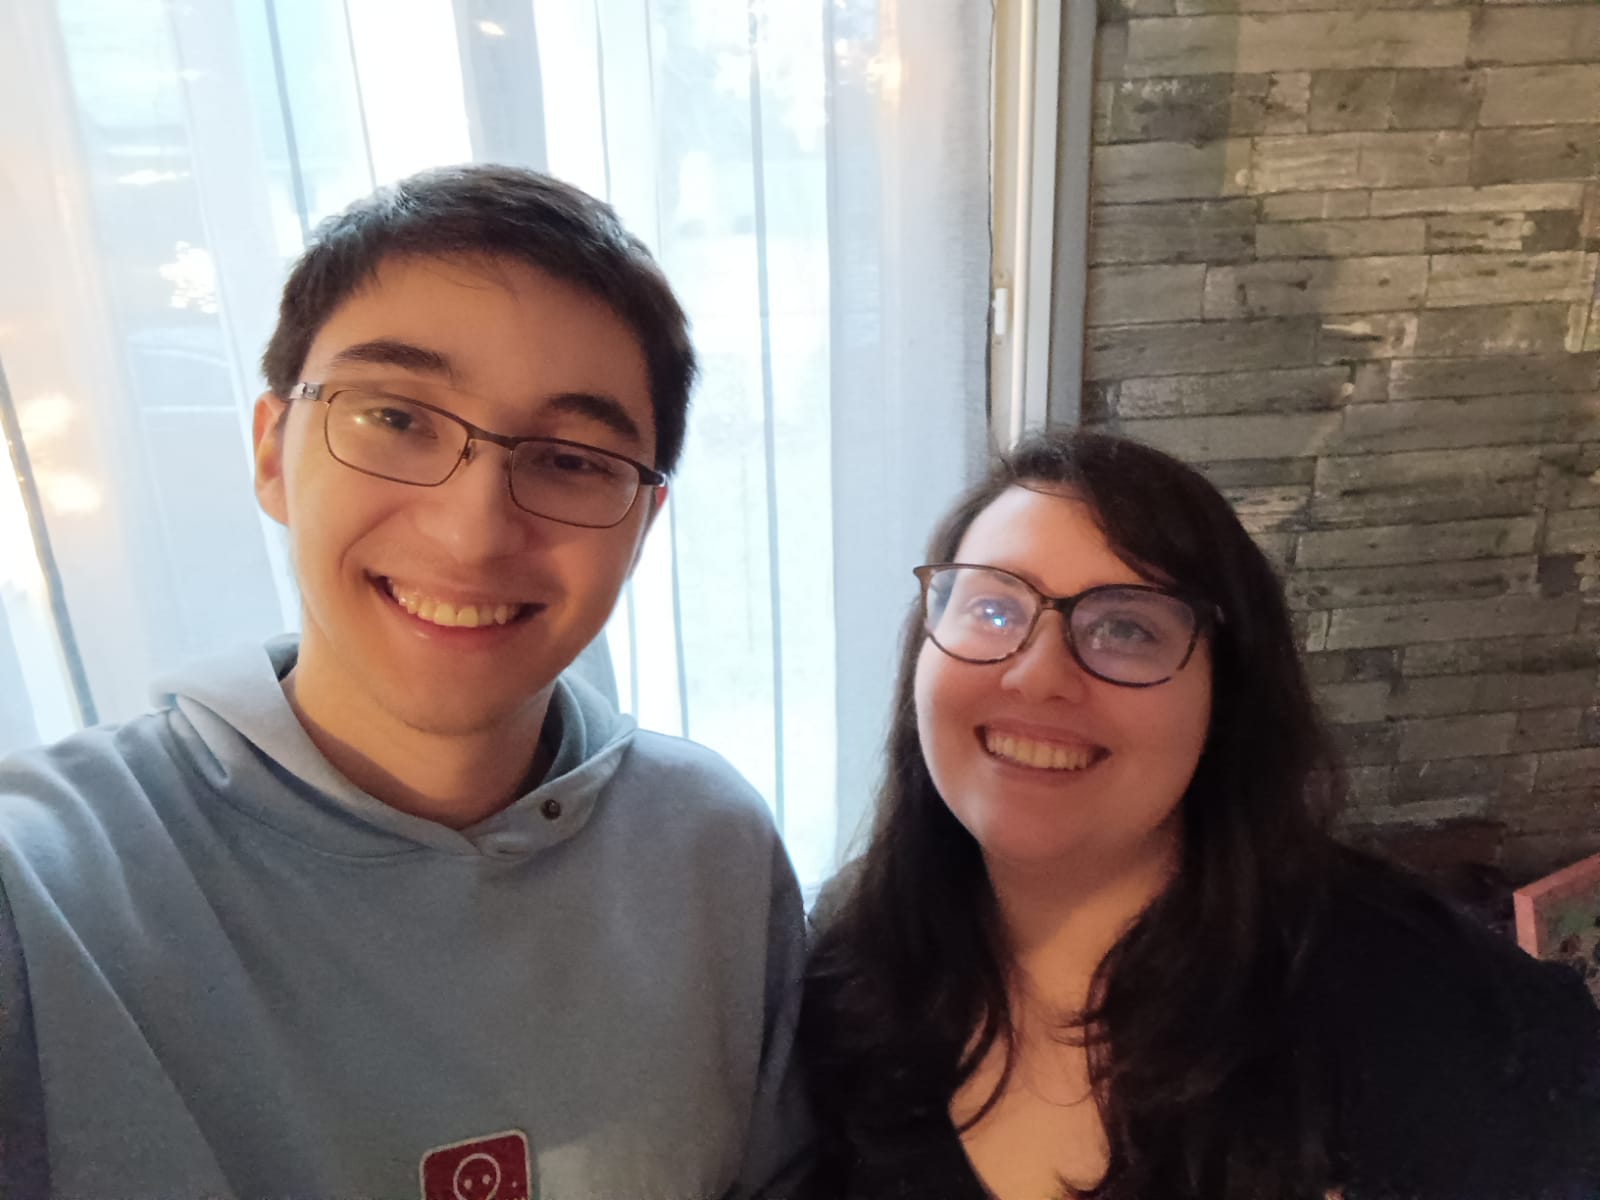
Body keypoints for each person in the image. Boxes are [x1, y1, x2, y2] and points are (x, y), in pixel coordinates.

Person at [0, 165, 809, 1200]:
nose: (474, 533)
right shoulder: (48, 889)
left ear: (642, 526)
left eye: (571, 459)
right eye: (395, 418)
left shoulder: (709, 850)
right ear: (273, 451)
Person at [798, 428, 1600, 1200]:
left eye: (1125, 627)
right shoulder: (852, 966)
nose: (1038, 677)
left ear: (1226, 699)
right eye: (994, 609)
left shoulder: (1445, 1019)